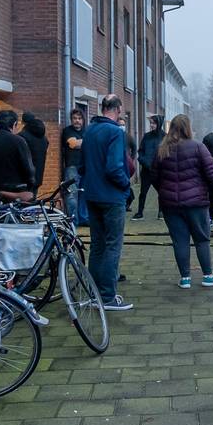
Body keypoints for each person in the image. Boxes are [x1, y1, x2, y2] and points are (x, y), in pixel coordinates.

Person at [153, 114, 213, 289]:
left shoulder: (162, 149)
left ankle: (185, 278)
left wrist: (165, 192)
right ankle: (208, 276)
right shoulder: (198, 147)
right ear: (187, 127)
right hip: (196, 203)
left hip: (170, 205)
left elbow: (154, 176)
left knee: (180, 241)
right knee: (201, 239)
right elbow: (212, 175)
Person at [80, 94, 134, 311]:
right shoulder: (115, 132)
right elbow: (114, 167)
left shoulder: (90, 130)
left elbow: (82, 165)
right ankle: (108, 297)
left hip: (91, 195)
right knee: (113, 246)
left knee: (97, 245)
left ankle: (94, 294)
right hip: (111, 197)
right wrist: (125, 185)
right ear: (118, 109)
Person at [0, 110, 36, 201]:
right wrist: (30, 185)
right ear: (14, 124)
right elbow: (28, 168)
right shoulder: (18, 141)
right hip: (15, 191)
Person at [134, 114, 165, 220]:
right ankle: (139, 212)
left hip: (159, 171)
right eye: (150, 123)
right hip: (146, 171)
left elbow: (167, 154)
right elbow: (141, 152)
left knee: (161, 192)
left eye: (154, 123)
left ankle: (161, 212)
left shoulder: (165, 137)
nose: (151, 125)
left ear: (159, 124)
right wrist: (144, 161)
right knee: (142, 193)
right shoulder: (146, 136)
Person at [61, 108, 86, 216]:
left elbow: (79, 143)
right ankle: (72, 221)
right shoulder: (67, 131)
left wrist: (80, 142)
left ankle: (83, 219)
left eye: (79, 118)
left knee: (84, 194)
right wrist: (86, 141)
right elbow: (73, 144)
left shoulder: (87, 131)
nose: (77, 120)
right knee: (71, 195)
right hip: (72, 167)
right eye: (74, 118)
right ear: (71, 120)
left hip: (85, 167)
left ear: (83, 120)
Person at [18, 111, 49, 194]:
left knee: (22, 205)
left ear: (23, 122)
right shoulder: (44, 138)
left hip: (23, 178)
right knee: (32, 202)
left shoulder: (21, 137)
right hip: (38, 177)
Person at [118, 117, 139, 211]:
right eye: (119, 125)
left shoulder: (128, 136)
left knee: (126, 184)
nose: (121, 127)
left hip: (126, 164)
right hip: (117, 163)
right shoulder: (115, 135)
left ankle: (128, 203)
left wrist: (132, 158)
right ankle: (122, 203)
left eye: (123, 125)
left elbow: (134, 147)